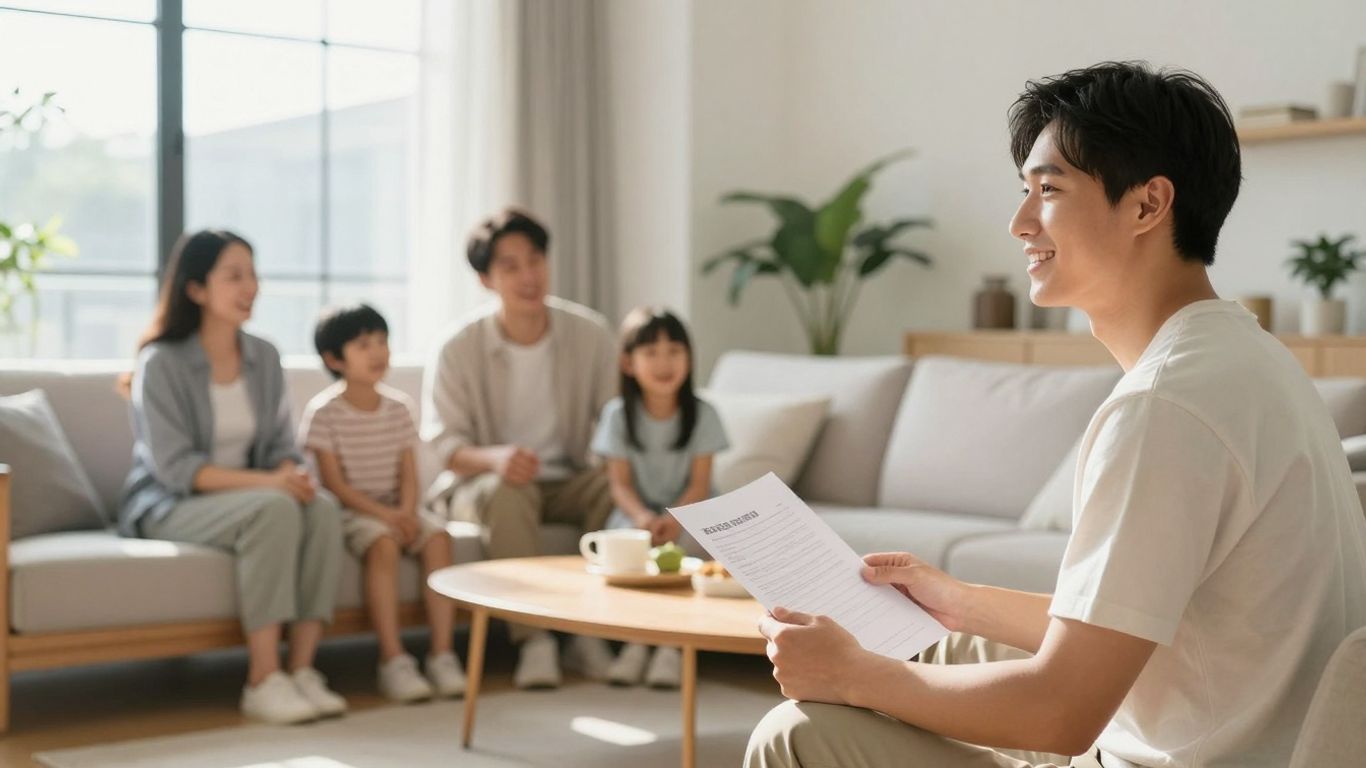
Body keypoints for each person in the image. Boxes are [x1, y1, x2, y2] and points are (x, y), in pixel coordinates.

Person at [747, 61, 1366, 768]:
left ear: (1146, 206)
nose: (1018, 223)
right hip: (1236, 729)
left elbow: (1063, 713)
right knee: (949, 642)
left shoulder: (1166, 409)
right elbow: (1146, 627)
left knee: (797, 734)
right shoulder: (1248, 358)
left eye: (1048, 190)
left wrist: (851, 675)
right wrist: (961, 599)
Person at [118, 230, 347, 725]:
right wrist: (271, 485)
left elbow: (282, 446)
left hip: (250, 494)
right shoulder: (161, 362)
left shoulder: (264, 355)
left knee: (322, 508)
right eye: (234, 276)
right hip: (168, 502)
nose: (251, 287)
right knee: (275, 508)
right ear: (196, 289)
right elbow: (176, 469)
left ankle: (302, 670)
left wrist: (293, 472)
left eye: (254, 274)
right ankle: (263, 679)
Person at [423, 207, 618, 689]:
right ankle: (534, 640)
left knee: (613, 490)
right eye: (510, 267)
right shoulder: (457, 347)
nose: (528, 276)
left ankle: (590, 633)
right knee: (510, 493)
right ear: (486, 279)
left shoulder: (589, 334)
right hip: (482, 483)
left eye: (535, 260)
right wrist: (497, 459)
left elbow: (617, 420)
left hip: (567, 476)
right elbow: (445, 445)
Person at [298, 303, 466, 703]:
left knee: (439, 537)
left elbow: (409, 471)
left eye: (382, 341)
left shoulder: (398, 408)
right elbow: (334, 485)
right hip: (356, 513)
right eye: (363, 345)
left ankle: (443, 654)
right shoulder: (324, 414)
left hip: (401, 506)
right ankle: (393, 660)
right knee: (383, 545)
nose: (377, 352)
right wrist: (386, 517)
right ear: (334, 359)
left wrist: (408, 511)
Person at [590, 307, 729, 688]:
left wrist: (675, 518)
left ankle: (671, 647)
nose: (664, 362)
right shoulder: (617, 415)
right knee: (626, 547)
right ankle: (637, 642)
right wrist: (642, 519)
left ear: (689, 357)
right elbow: (619, 484)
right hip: (639, 513)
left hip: (691, 511)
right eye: (651, 353)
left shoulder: (703, 414)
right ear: (629, 363)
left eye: (674, 351)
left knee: (687, 547)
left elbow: (700, 484)